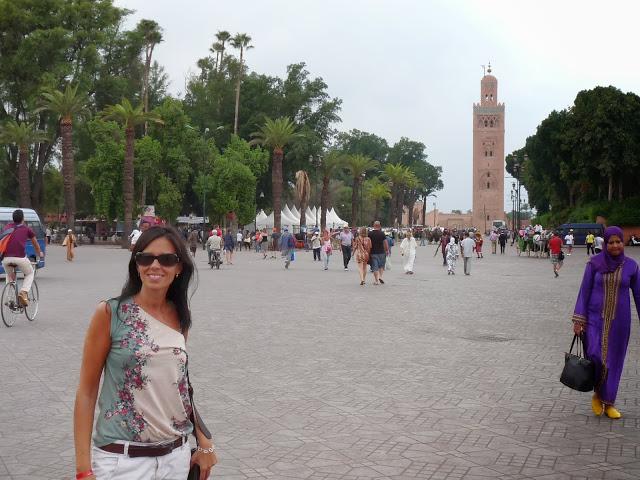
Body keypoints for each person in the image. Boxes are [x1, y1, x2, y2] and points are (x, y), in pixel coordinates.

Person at [73, 226, 217, 480]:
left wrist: (205, 441)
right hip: (122, 461)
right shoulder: (110, 314)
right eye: (146, 257)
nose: (155, 265)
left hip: (176, 458)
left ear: (179, 267)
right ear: (136, 263)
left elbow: (180, 387)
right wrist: (83, 470)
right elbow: (86, 392)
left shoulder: (180, 318)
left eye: (167, 259)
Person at [571, 226, 640, 419]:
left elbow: (639, 295)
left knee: (614, 361)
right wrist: (579, 320)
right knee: (595, 356)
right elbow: (584, 291)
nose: (615, 245)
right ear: (605, 243)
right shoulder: (594, 264)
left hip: (620, 322)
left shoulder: (631, 266)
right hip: (594, 319)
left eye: (618, 242)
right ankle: (598, 393)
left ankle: (608, 402)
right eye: (611, 242)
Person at [1, 209, 44, 306]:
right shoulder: (27, 229)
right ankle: (23, 292)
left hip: (5, 259)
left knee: (9, 275)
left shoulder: (7, 227)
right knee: (30, 273)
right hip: (20, 258)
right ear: (23, 219)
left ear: (13, 219)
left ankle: (9, 299)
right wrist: (40, 253)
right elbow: (35, 244)